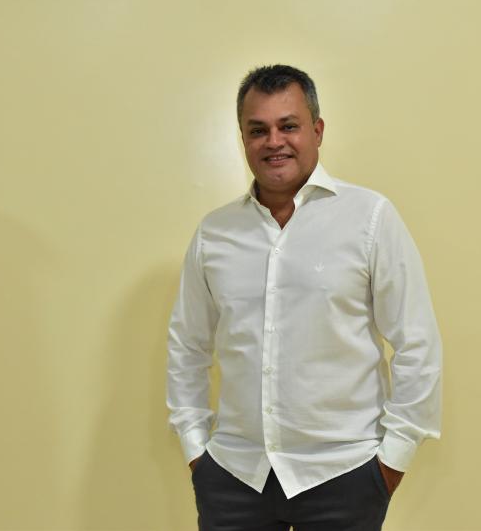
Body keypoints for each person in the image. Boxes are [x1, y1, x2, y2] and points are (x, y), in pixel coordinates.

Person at [166, 64, 442, 531]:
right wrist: (197, 451)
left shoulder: (370, 218)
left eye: (288, 126)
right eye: (258, 130)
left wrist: (391, 462)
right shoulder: (215, 233)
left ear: (317, 130)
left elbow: (417, 342)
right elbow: (187, 346)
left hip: (345, 475)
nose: (273, 141)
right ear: (242, 138)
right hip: (235, 476)